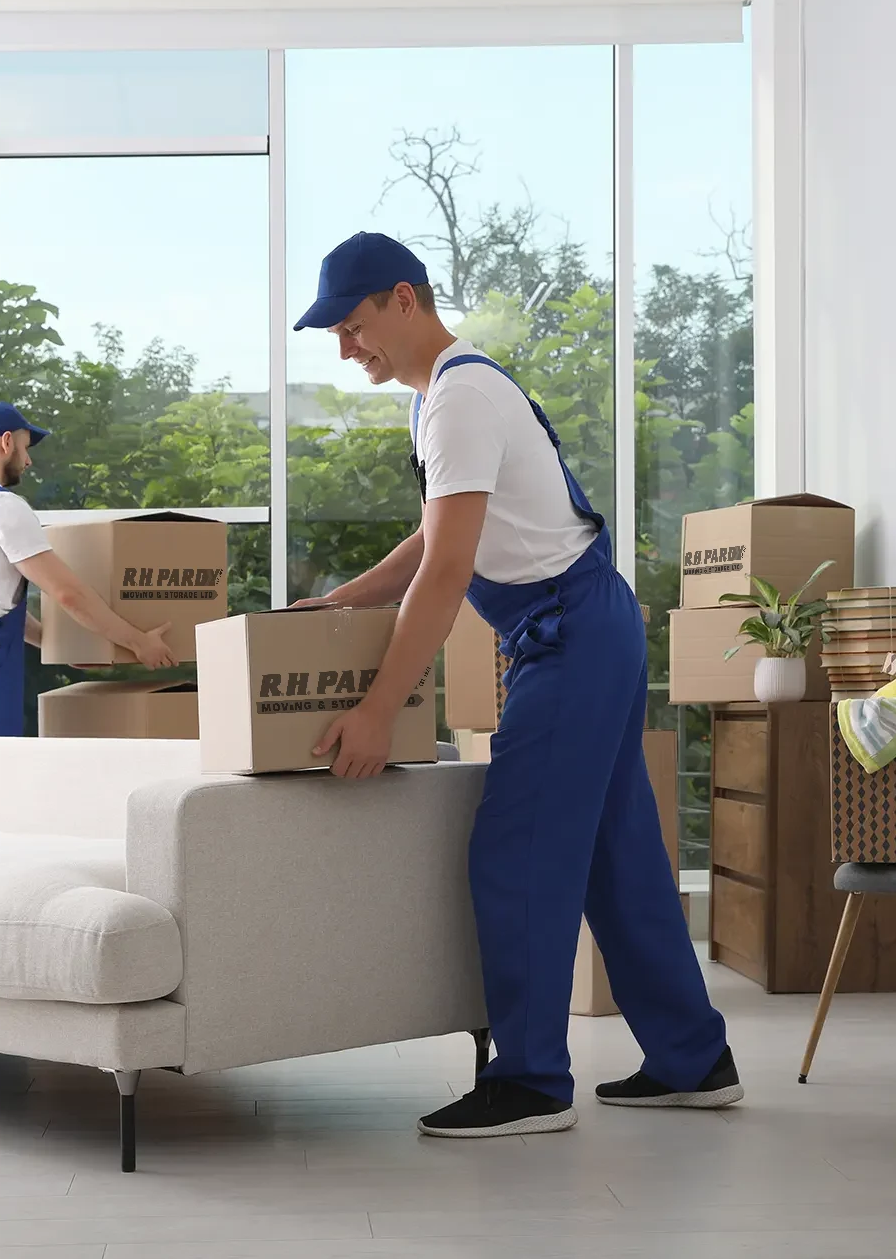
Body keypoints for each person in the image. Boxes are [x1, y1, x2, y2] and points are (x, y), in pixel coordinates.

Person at [295, 232, 741, 1138]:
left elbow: (451, 566)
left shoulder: (460, 399)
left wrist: (380, 707)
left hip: (569, 634)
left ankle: (532, 1079)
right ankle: (695, 1056)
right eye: (334, 334)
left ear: (405, 300)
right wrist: (340, 601)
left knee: (519, 847)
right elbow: (432, 539)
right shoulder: (438, 400)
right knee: (617, 856)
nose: (346, 348)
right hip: (583, 627)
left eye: (353, 325)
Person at [0, 402, 177, 803]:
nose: (28, 460)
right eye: (24, 447)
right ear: (5, 442)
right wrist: (139, 641)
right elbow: (68, 593)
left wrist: (57, 645)